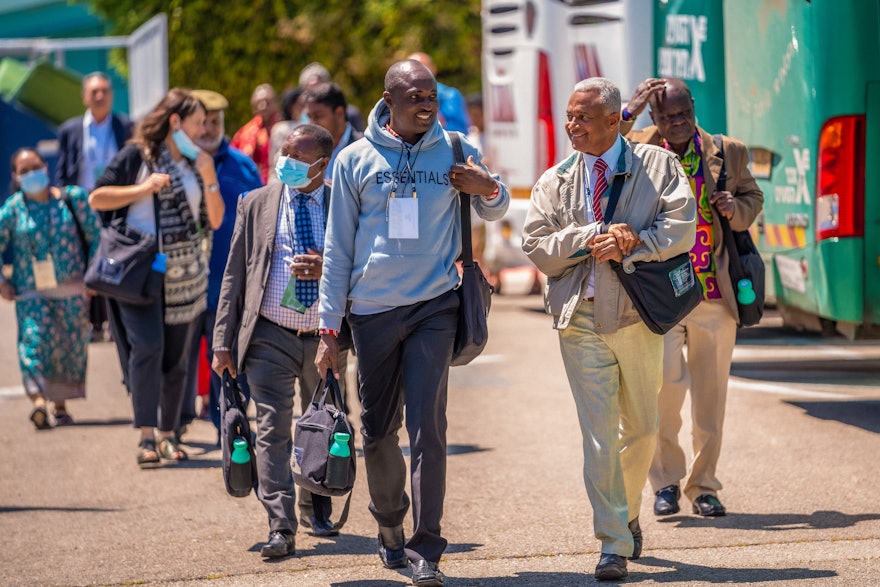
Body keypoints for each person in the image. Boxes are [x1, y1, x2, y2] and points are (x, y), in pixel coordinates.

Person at [315, 59, 509, 587]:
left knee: (430, 429)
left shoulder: (455, 147)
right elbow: (337, 249)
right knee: (378, 433)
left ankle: (428, 548)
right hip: (373, 311)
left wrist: (486, 186)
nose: (427, 104)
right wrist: (328, 327)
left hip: (435, 307)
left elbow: (497, 206)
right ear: (390, 100)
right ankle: (390, 525)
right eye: (416, 96)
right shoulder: (355, 160)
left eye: (431, 96)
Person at [521, 77, 695, 581]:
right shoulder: (554, 180)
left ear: (616, 119)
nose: (572, 126)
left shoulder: (658, 165)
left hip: (638, 317)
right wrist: (592, 236)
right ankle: (613, 543)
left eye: (583, 118)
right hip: (579, 320)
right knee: (598, 437)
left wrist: (634, 244)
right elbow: (537, 247)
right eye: (570, 116)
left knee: (642, 428)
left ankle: (627, 511)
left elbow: (681, 226)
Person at [622, 78, 764, 518]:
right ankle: (665, 482)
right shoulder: (640, 145)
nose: (677, 123)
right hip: (663, 294)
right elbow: (599, 149)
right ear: (654, 119)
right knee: (664, 392)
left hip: (713, 293)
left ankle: (703, 486)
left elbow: (752, 198)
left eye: (683, 114)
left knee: (710, 397)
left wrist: (733, 210)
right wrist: (629, 111)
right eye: (666, 117)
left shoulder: (728, 150)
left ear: (693, 108)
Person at [212, 125, 342, 558]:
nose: (284, 162)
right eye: (283, 153)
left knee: (321, 427)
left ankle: (314, 505)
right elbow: (233, 276)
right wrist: (222, 342)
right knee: (272, 429)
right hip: (269, 334)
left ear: (321, 165)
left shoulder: (344, 202)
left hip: (325, 336)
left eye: (296, 157)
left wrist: (326, 267)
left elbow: (360, 264)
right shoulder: (256, 203)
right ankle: (281, 526)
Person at [89, 88, 225, 468]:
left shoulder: (197, 165)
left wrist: (209, 176)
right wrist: (143, 189)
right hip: (138, 272)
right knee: (147, 348)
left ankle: (168, 434)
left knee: (176, 358)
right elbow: (96, 198)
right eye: (196, 123)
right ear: (175, 122)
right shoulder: (138, 155)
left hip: (185, 275)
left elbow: (213, 220)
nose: (202, 131)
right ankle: (146, 436)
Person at [178, 89, 263, 441]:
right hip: (181, 281)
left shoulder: (243, 164)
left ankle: (230, 425)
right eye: (203, 122)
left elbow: (261, 218)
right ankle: (176, 423)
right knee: (180, 359)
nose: (209, 128)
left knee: (230, 359)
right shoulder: (176, 165)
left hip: (227, 282)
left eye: (215, 121)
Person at [0, 148, 101, 429]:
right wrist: (2, 282)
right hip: (32, 293)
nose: (31, 174)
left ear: (46, 167)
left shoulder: (72, 199)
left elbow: (96, 237)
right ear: (16, 177)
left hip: (73, 291)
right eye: (24, 170)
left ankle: (59, 404)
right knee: (34, 342)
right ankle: (38, 402)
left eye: (36, 166)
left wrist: (94, 276)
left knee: (69, 348)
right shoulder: (12, 209)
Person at [55, 71, 133, 342]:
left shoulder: (126, 127)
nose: (100, 96)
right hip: (82, 205)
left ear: (111, 95)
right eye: (94, 91)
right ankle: (93, 322)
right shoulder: (70, 130)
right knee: (85, 260)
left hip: (117, 204)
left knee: (114, 258)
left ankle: (114, 320)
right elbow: (63, 170)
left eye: (105, 91)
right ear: (85, 96)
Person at [303, 82, 363, 185]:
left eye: (318, 116)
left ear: (339, 113)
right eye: (309, 117)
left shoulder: (364, 148)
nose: (312, 123)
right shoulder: (307, 149)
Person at [407, 52, 471, 134]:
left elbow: (461, 132)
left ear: (433, 69)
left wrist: (437, 125)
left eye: (422, 69)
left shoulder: (449, 95)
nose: (417, 74)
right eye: (412, 69)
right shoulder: (399, 96)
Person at [231, 84, 282, 183]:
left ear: (276, 104)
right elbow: (234, 156)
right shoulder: (245, 132)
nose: (263, 106)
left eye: (267, 102)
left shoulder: (284, 127)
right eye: (258, 103)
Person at [299, 62, 366, 133]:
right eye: (310, 89)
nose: (312, 123)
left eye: (318, 116)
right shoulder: (302, 116)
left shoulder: (351, 113)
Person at [269, 86, 307, 172]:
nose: (303, 108)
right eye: (300, 104)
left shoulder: (309, 125)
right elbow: (276, 158)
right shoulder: (281, 129)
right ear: (291, 106)